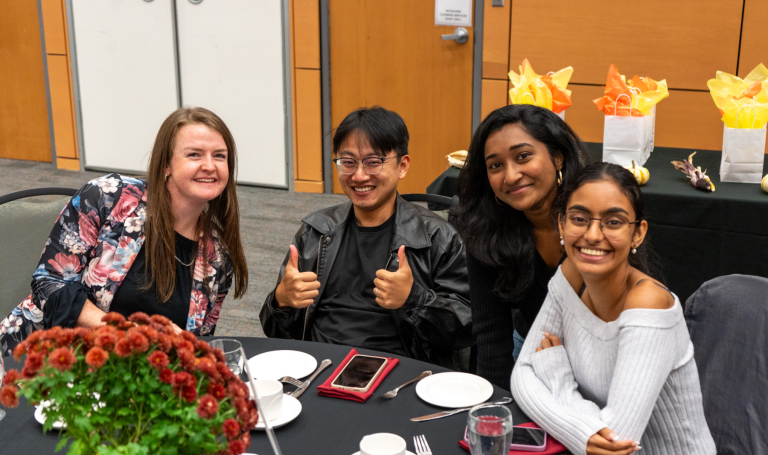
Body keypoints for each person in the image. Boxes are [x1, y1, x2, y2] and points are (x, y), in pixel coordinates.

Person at [0, 107, 248, 356]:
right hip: (46, 360)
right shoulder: (109, 196)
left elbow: (198, 344)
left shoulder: (218, 258)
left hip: (134, 381)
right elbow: (50, 284)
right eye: (194, 154)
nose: (209, 166)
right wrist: (128, 334)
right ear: (166, 165)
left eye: (219, 156)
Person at [511, 163, 716, 455]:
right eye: (579, 218)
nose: (593, 235)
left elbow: (617, 440)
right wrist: (584, 433)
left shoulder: (649, 303)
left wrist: (557, 375)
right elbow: (523, 373)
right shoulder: (572, 272)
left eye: (613, 222)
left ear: (638, 233)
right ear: (562, 224)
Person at [259, 106, 472, 369]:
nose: (359, 176)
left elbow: (466, 331)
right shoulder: (316, 231)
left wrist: (415, 300)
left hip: (400, 373)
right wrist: (281, 300)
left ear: (402, 165)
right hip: (322, 366)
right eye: (348, 162)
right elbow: (274, 331)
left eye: (373, 162)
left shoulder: (438, 238)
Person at [453, 104, 592, 388]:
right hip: (534, 347)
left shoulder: (598, 218)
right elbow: (491, 336)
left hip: (606, 355)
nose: (511, 175)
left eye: (523, 156)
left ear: (557, 157)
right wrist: (498, 415)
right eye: (495, 165)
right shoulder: (487, 232)